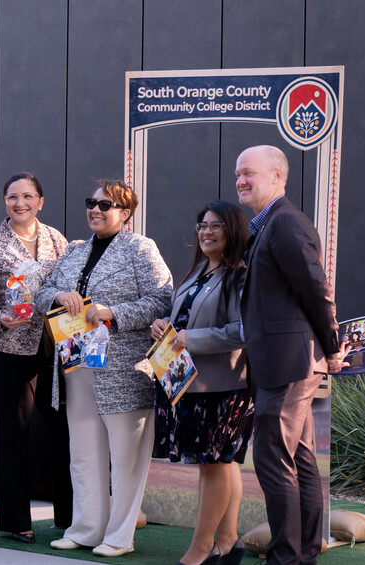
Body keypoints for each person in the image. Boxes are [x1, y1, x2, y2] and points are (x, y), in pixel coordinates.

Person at [35, 179, 172, 558]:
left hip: (124, 367)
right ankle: (86, 528)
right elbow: (42, 291)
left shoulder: (140, 248)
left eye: (105, 205)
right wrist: (57, 296)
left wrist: (114, 313)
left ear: (126, 213)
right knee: (82, 451)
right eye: (90, 202)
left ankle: (119, 535)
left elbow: (163, 297)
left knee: (125, 455)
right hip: (76, 362)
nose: (95, 209)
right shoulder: (75, 250)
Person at [235, 145, 348, 565]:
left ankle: (286, 557)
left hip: (287, 363)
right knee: (297, 460)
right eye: (237, 175)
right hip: (283, 362)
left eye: (249, 173)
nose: (241, 181)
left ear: (278, 176)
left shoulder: (285, 223)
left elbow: (316, 289)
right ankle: (300, 555)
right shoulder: (267, 226)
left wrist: (333, 346)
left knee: (272, 460)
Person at [0, 172, 72, 543]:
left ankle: (71, 517)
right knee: (14, 434)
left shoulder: (58, 240)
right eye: (12, 197)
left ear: (41, 200)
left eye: (28, 196)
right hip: (8, 350)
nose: (20, 203)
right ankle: (14, 521)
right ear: (4, 202)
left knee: (63, 431)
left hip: (53, 347)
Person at [151, 200, 254, 565]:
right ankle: (227, 541)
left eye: (216, 226)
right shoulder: (199, 271)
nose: (206, 232)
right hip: (189, 381)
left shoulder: (240, 275)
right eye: (202, 226)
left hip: (225, 385)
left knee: (218, 464)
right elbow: (185, 316)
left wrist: (187, 339)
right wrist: (164, 325)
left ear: (233, 230)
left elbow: (240, 332)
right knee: (217, 465)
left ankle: (201, 548)